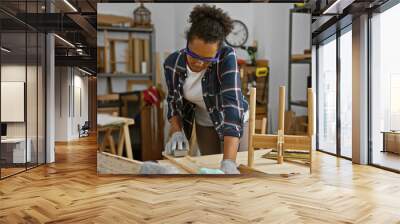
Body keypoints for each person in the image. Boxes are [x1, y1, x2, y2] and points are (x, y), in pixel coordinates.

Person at [163, 4, 249, 174]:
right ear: (187, 43)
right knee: (210, 169)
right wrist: (176, 132)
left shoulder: (226, 57)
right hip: (204, 121)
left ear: (217, 53)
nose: (199, 63)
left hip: (234, 120)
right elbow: (173, 102)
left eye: (207, 59)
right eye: (194, 55)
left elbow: (232, 105)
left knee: (234, 171)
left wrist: (229, 161)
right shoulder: (172, 63)